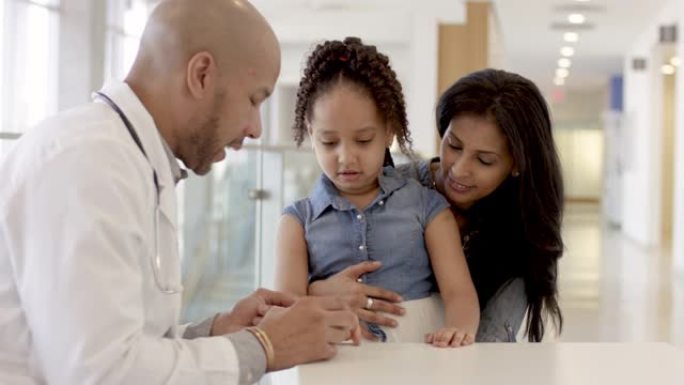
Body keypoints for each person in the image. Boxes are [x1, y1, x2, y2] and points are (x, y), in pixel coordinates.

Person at [0, 1, 359, 384]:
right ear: (201, 75)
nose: (256, 129)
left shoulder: (131, 161)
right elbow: (99, 373)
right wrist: (263, 345)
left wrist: (218, 331)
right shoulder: (86, 163)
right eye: (254, 100)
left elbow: (127, 344)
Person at [309, 68, 564, 343]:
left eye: (484, 160)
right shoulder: (386, 189)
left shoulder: (522, 232)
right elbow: (300, 277)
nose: (459, 169)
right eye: (453, 145)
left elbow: (492, 339)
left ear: (517, 165)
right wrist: (317, 291)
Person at [274, 37, 480, 347]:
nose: (346, 157)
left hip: (417, 354)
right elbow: (286, 307)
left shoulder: (428, 207)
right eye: (329, 142)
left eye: (363, 140)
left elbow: (459, 293)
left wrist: (458, 331)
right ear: (310, 131)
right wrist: (317, 291)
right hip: (334, 359)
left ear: (388, 130)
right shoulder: (296, 222)